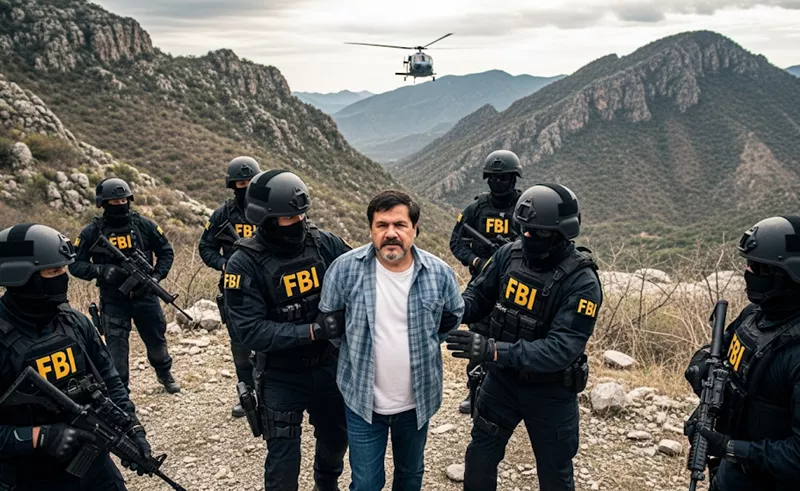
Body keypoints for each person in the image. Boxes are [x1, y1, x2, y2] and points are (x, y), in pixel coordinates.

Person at [446, 183, 602, 491]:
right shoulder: (509, 254)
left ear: (562, 233)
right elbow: (479, 296)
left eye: (537, 232)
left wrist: (491, 350)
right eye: (523, 229)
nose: (527, 237)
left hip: (550, 391)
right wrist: (451, 311)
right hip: (502, 382)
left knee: (555, 473)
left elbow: (560, 349)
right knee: (479, 459)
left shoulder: (582, 282)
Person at [319, 189, 464, 491]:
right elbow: (332, 326)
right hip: (362, 401)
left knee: (410, 476)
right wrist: (357, 350)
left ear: (414, 229)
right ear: (371, 230)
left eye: (399, 225)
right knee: (366, 483)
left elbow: (451, 319)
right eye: (382, 225)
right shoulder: (344, 270)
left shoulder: (439, 274)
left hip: (417, 402)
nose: (391, 233)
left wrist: (423, 342)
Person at [223, 170, 350, 491]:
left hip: (328, 365)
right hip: (281, 375)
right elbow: (250, 331)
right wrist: (313, 331)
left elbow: (358, 273)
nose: (298, 222)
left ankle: (325, 484)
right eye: (288, 217)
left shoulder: (323, 243)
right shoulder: (243, 263)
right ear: (265, 220)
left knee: (337, 439)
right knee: (282, 463)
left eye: (301, 215)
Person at [0, 223, 152, 490]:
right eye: (53, 271)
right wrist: (38, 437)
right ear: (23, 276)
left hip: (93, 466)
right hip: (29, 476)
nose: (63, 277)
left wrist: (132, 428)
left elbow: (110, 380)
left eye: (63, 269)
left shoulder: (74, 322)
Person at [684, 216, 800, 491]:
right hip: (732, 475)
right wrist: (701, 364)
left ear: (789, 275)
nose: (748, 272)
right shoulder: (755, 316)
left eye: (759, 268)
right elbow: (720, 349)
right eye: (748, 264)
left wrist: (731, 448)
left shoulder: (795, 352)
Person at [69, 177, 179, 394]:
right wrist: (100, 270)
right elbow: (75, 264)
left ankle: (164, 373)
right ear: (103, 203)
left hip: (146, 296)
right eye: (114, 201)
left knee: (157, 342)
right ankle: (121, 392)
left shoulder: (144, 225)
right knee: (116, 352)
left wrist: (156, 276)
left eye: (123, 200)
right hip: (114, 300)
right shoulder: (92, 232)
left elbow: (166, 252)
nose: (120, 205)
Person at [449, 149, 523, 414]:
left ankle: (516, 396)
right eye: (494, 178)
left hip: (517, 287)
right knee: (478, 340)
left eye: (504, 178)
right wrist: (477, 262)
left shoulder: (525, 206)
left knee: (516, 339)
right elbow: (457, 242)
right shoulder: (476, 209)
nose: (499, 182)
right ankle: (474, 392)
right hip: (484, 287)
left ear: (514, 178)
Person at [198, 156, 260, 418]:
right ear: (232, 185)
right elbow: (206, 247)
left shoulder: (270, 207)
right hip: (235, 290)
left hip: (268, 288)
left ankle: (276, 394)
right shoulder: (222, 215)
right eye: (240, 183)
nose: (245, 187)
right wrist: (224, 264)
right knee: (241, 348)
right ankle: (248, 396)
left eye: (249, 182)